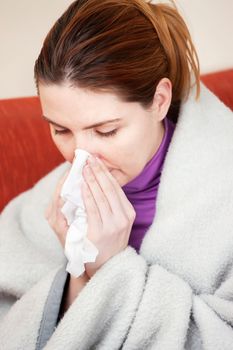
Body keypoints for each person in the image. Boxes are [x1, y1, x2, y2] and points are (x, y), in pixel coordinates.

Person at [0, 0, 233, 349]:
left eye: (106, 130)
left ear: (159, 100)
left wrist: (112, 270)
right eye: (61, 130)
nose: (79, 155)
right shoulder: (43, 205)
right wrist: (79, 273)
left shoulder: (222, 182)